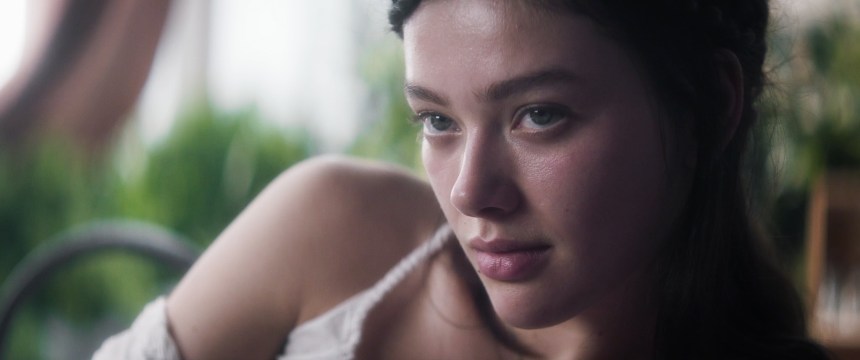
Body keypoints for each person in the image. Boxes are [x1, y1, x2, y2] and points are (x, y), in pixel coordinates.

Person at [95, 0, 831, 359]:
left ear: (712, 102)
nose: (472, 193)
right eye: (436, 121)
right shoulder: (333, 236)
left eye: (539, 114)